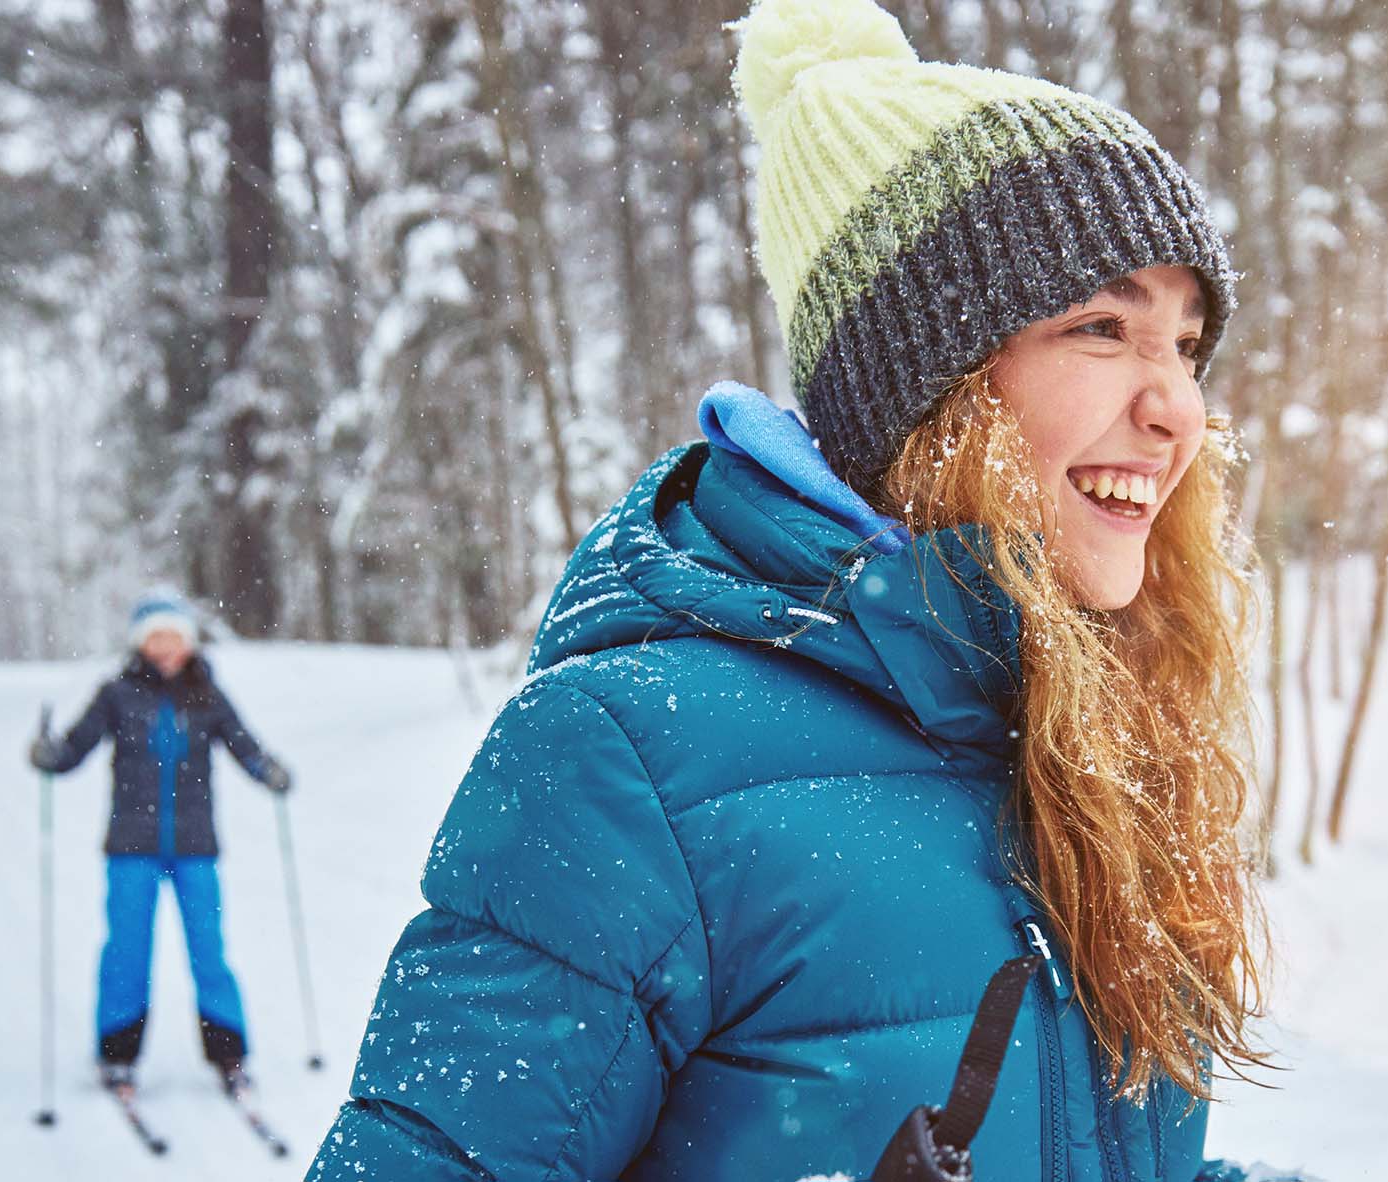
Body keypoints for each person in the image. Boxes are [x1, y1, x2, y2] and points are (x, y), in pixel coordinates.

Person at [312, 1, 1262, 1176]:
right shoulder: (631, 761)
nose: (1176, 406)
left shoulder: (1086, 725)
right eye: (1102, 326)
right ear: (931, 383)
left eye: (1186, 341)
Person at [32, 589, 292, 1098]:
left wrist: (270, 771)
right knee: (127, 950)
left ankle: (229, 1056)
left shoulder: (208, 696)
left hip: (195, 846)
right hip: (131, 846)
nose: (167, 647)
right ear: (141, 644)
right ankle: (117, 1056)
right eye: (157, 638)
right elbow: (73, 749)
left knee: (209, 951)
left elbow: (244, 745)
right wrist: (49, 753)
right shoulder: (117, 694)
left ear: (189, 643)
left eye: (175, 637)